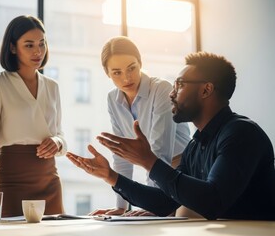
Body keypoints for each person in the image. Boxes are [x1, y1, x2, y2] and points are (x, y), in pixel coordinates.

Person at [67, 52, 275, 220]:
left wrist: (149, 161)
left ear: (206, 90)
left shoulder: (240, 134)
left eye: (180, 85)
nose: (171, 93)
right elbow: (167, 201)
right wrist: (111, 177)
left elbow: (212, 202)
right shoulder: (196, 145)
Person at [0, 15, 67, 219]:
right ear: (12, 48)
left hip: (49, 180)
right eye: (29, 45)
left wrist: (57, 142)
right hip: (10, 180)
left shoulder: (53, 87)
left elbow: (59, 132)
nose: (38, 51)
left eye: (41, 44)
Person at [88, 36, 190, 216]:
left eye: (131, 68)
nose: (126, 78)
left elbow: (160, 152)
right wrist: (122, 206)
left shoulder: (161, 89)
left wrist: (153, 204)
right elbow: (121, 156)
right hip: (156, 172)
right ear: (107, 73)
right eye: (116, 72)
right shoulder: (113, 98)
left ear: (140, 63)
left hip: (183, 173)